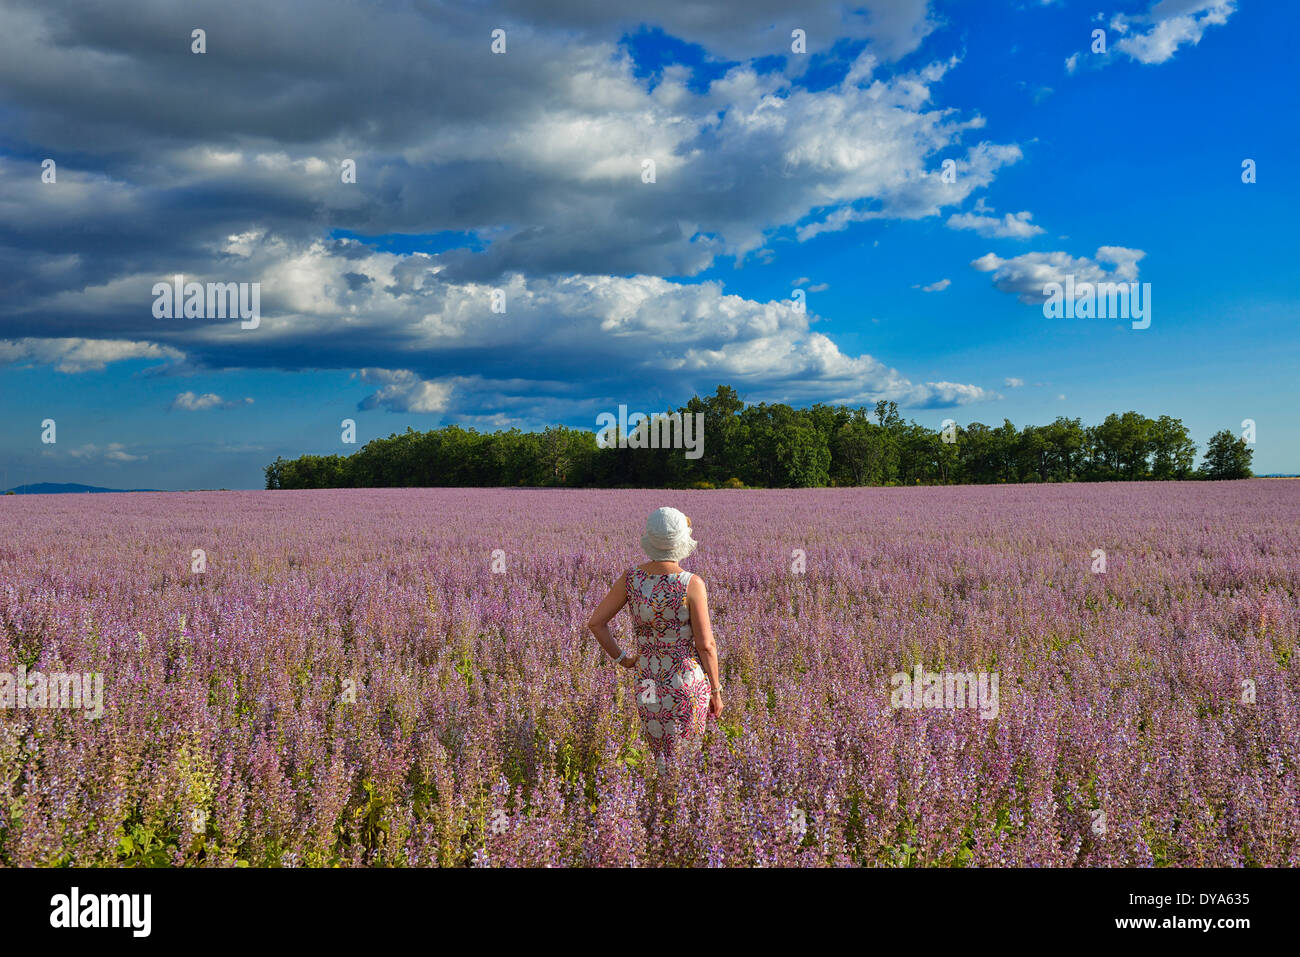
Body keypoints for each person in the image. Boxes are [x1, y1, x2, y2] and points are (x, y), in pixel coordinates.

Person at [586, 506, 722, 771]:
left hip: (647, 680)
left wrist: (624, 659)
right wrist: (716, 690)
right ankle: (681, 808)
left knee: (660, 757)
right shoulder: (691, 583)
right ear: (681, 542)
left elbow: (596, 623)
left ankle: (661, 804)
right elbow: (706, 645)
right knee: (685, 759)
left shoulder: (632, 578)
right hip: (685, 682)